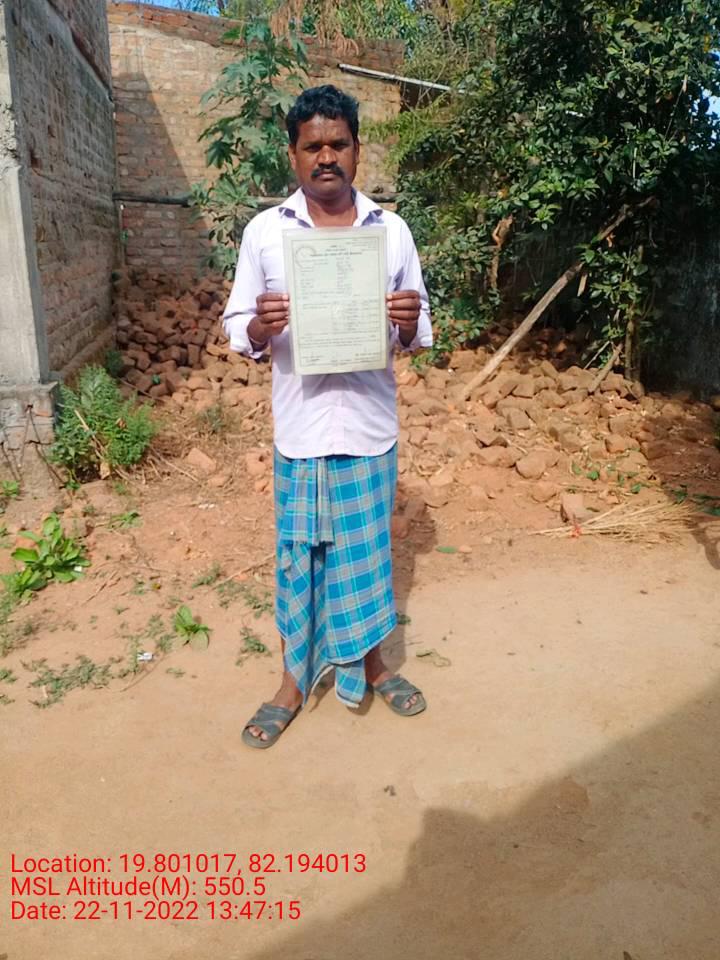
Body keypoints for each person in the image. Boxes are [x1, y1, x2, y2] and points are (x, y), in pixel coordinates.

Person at [223, 84, 433, 749]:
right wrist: (261, 325)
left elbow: (419, 330)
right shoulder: (267, 234)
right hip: (302, 428)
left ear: (357, 151)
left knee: (365, 557)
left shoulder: (390, 232)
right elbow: (237, 327)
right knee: (300, 560)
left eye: (338, 144)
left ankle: (373, 666)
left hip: (368, 428)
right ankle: (291, 683)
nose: (326, 157)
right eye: (312, 145)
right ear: (293, 154)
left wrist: (407, 320)